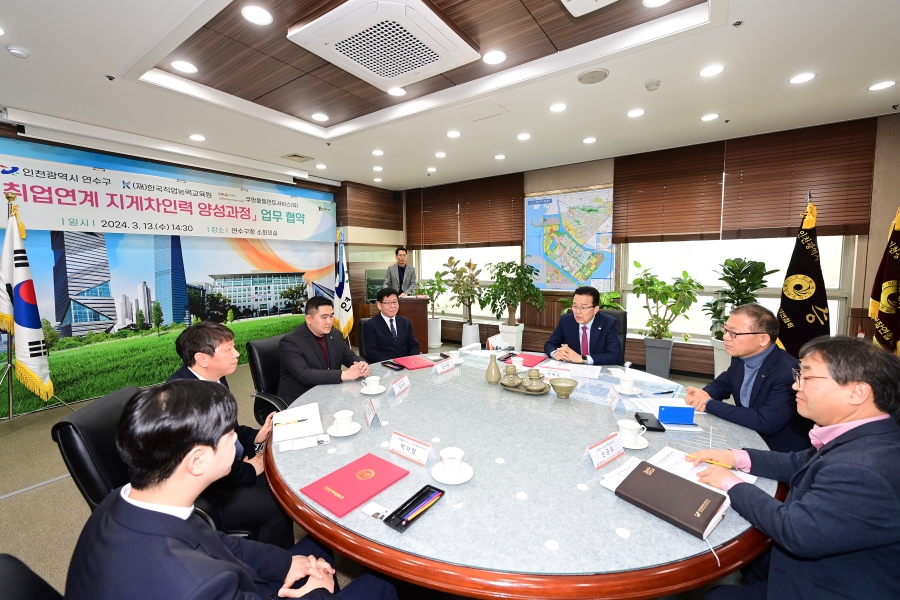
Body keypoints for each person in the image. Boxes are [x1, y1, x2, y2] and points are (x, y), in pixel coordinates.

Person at [65, 380, 397, 600]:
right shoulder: (195, 585)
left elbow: (220, 545)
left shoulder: (123, 502)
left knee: (317, 549)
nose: (238, 441)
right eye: (229, 436)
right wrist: (316, 592)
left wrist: (289, 565)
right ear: (197, 460)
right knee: (386, 583)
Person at [690, 336, 900, 600]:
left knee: (716, 596)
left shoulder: (864, 467)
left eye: (808, 378)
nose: (795, 385)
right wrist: (734, 456)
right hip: (827, 557)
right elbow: (799, 461)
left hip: (834, 584)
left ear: (857, 392)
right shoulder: (868, 432)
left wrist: (730, 483)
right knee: (753, 562)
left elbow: (795, 531)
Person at [167, 321, 293, 548]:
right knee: (279, 503)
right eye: (228, 350)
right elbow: (203, 461)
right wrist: (250, 469)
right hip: (205, 489)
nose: (236, 354)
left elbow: (230, 429)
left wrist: (256, 438)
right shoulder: (184, 402)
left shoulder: (215, 378)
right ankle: (274, 575)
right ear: (202, 359)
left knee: (287, 480)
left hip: (228, 465)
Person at [684, 304, 812, 452]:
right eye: (726, 330)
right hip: (744, 432)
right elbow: (723, 384)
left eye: (734, 333)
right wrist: (702, 395)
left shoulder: (788, 372)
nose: (726, 336)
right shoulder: (741, 357)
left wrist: (708, 402)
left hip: (777, 450)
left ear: (763, 339)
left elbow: (765, 422)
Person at [278, 296, 370, 401]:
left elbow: (348, 356)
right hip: (301, 400)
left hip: (331, 395)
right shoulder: (290, 341)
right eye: (324, 317)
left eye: (331, 316)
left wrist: (361, 364)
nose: (329, 322)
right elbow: (305, 375)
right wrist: (345, 374)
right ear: (309, 319)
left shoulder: (335, 334)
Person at [544, 286, 622, 365]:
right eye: (575, 306)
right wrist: (555, 353)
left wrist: (582, 359)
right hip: (572, 370)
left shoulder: (608, 323)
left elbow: (615, 356)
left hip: (598, 370)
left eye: (583, 307)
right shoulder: (566, 321)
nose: (578, 311)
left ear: (595, 309)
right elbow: (550, 344)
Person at [362, 288, 421, 363]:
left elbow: (414, 345)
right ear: (379, 305)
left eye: (394, 302)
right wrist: (393, 364)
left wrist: (411, 360)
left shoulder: (406, 322)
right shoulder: (370, 325)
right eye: (387, 303)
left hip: (407, 364)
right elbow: (372, 353)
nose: (392, 306)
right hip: (384, 366)